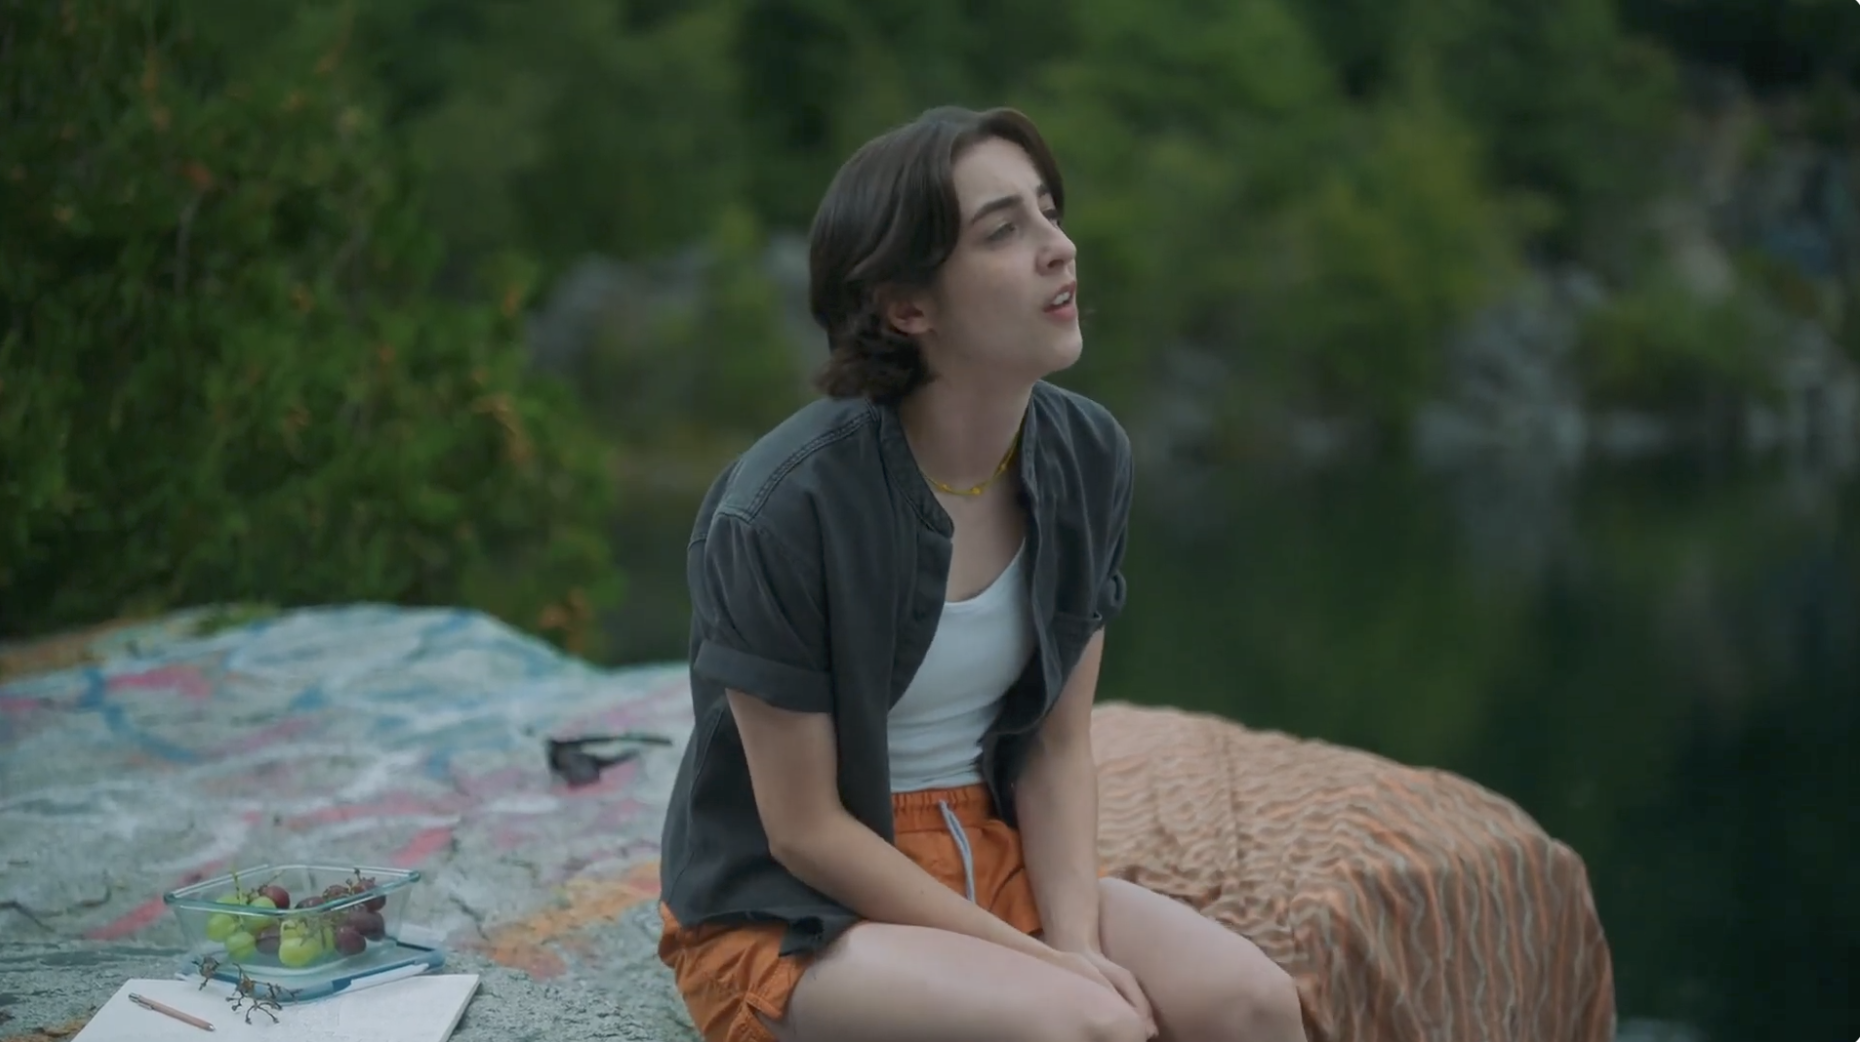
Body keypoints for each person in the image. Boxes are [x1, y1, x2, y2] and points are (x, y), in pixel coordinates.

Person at [654, 105, 1308, 1042]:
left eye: (1050, 212)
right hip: (792, 905)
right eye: (1004, 231)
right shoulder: (782, 507)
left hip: (989, 851)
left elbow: (1056, 746)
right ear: (907, 307)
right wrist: (1047, 971)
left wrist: (1075, 941)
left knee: (1255, 1003)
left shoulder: (1088, 455)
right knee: (1086, 1027)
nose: (1059, 248)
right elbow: (802, 828)